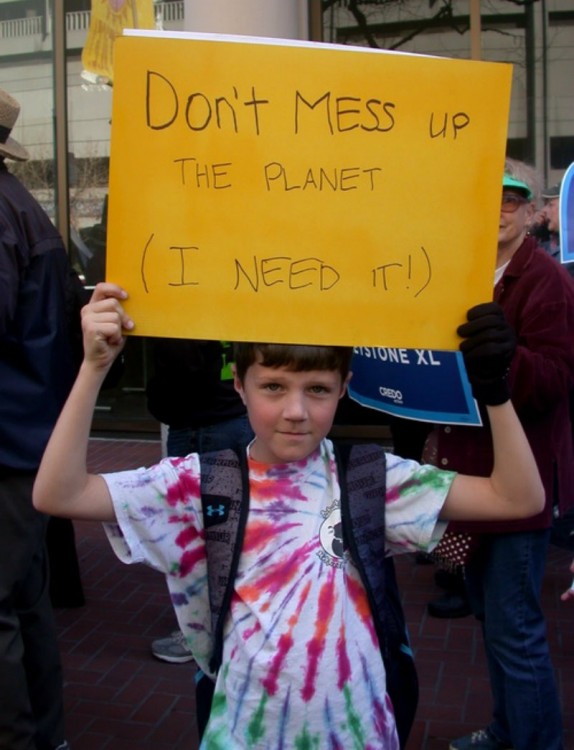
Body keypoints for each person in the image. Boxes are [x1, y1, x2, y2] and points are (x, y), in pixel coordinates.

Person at [33, 281, 545, 749]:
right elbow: (60, 494)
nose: (295, 410)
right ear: (239, 385)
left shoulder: (369, 479)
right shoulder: (199, 483)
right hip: (242, 734)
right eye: (273, 386)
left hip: (359, 733)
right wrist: (93, 368)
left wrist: (494, 393)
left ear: (344, 387)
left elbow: (516, 499)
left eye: (317, 389)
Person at [424, 159, 574, 750]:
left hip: (520, 483)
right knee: (491, 618)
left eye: (513, 197)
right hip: (469, 475)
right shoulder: (459, 271)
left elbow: (558, 380)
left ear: (536, 210)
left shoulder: (546, 282)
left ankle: (533, 741)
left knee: (514, 628)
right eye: (489, 194)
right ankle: (512, 729)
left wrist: (505, 362)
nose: (500, 205)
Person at [0, 87, 77, 750]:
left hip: (7, 442)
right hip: (28, 440)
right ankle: (45, 735)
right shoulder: (22, 208)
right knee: (25, 600)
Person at [146, 338, 253, 663]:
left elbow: (184, 365)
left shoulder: (183, 300)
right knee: (233, 529)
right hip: (231, 413)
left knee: (202, 535)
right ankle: (237, 625)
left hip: (204, 421)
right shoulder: (231, 294)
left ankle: (202, 632)